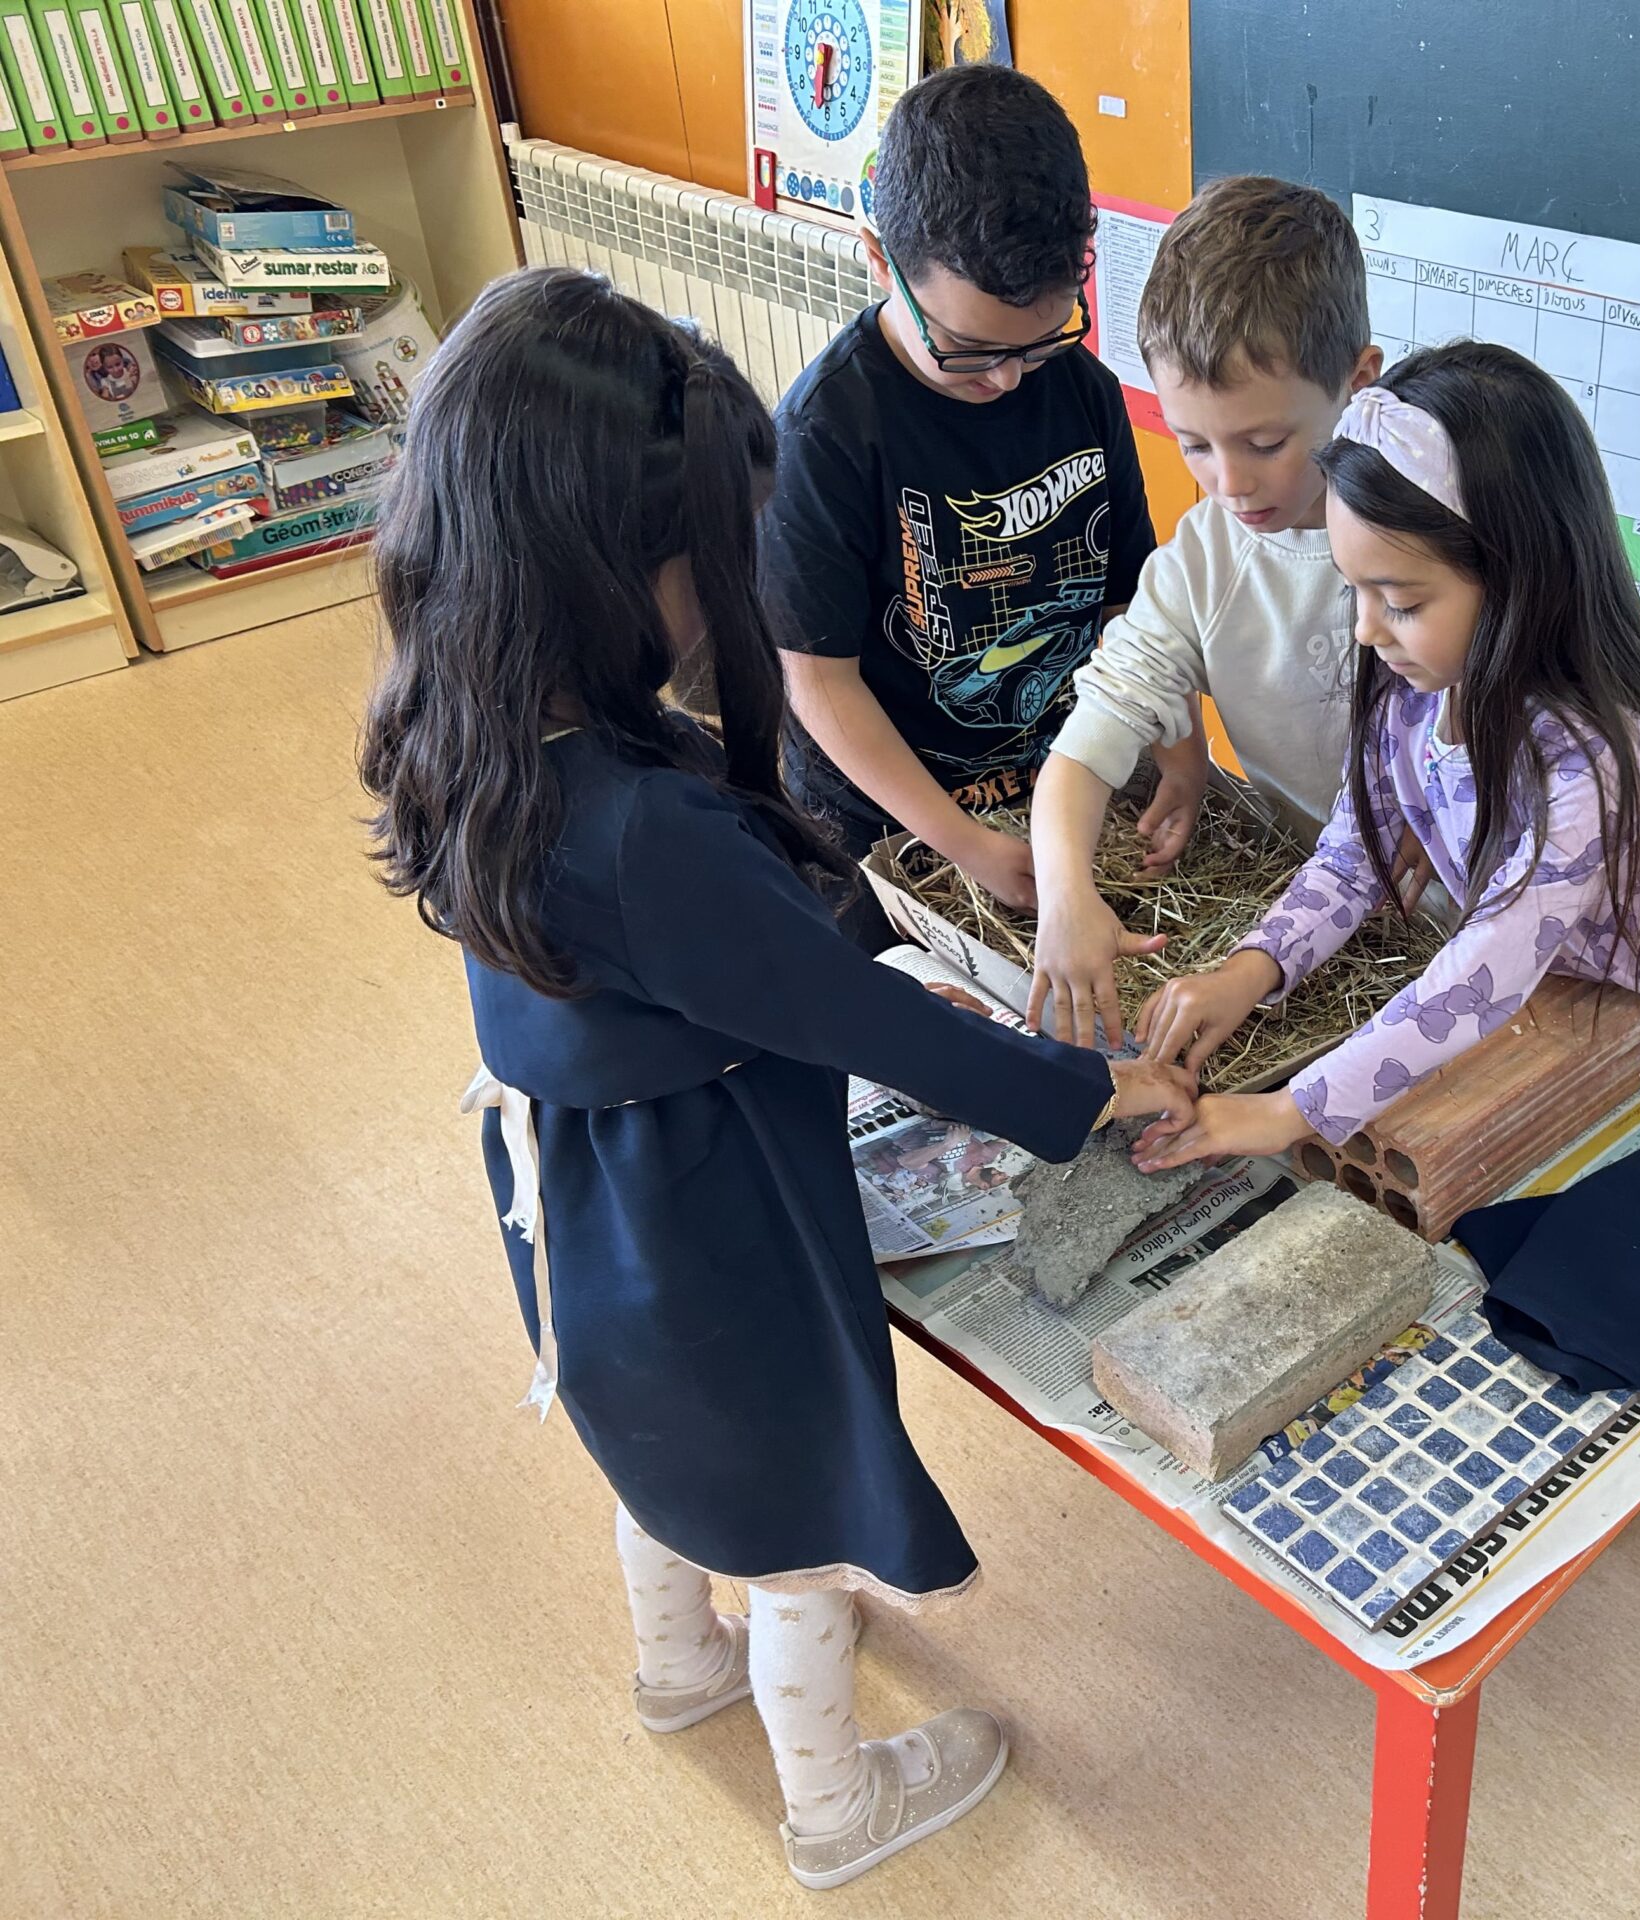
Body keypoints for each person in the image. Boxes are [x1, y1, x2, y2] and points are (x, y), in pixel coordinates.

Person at [357, 269, 1191, 1891]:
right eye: (714, 550)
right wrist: (1081, 1092)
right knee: (798, 1511)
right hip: (710, 1222)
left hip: (584, 1200)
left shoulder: (466, 723)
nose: (728, 585)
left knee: (658, 1446)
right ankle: (836, 1806)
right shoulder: (647, 833)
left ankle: (679, 1666)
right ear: (612, 566)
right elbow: (857, 1016)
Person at [1127, 341, 1640, 1172]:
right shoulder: (1414, 686)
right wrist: (1250, 969)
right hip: (1554, 1007)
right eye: (1354, 589)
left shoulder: (1596, 759)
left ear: (1520, 579)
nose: (1365, 630)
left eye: (1400, 601)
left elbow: (1484, 970)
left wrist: (1291, 1110)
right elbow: (1355, 855)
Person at [761, 64, 1158, 939]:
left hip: (1054, 788)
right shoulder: (825, 434)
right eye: (969, 349)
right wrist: (963, 843)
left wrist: (1173, 741)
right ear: (881, 261)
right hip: (885, 830)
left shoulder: (1082, 390)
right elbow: (820, 683)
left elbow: (1129, 604)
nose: (1010, 378)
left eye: (1041, 340)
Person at [1025, 174, 1382, 1048]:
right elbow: (1088, 744)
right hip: (1321, 912)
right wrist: (1066, 893)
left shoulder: (1430, 537)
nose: (1230, 483)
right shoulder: (1207, 561)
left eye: (1264, 443)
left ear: (1358, 383)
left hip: (1471, 918)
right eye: (1193, 445)